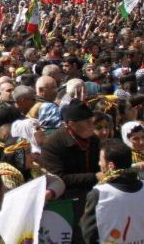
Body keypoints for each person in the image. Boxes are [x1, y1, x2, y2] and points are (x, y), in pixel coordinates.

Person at [40, 101, 101, 244]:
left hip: (94, 198)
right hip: (69, 203)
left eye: (92, 121)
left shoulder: (94, 140)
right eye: (87, 122)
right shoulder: (53, 144)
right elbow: (58, 179)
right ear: (72, 124)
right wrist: (94, 177)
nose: (92, 125)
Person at [81, 139, 144, 244]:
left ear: (111, 166)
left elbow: (89, 233)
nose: (99, 163)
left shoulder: (99, 193)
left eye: (101, 160)